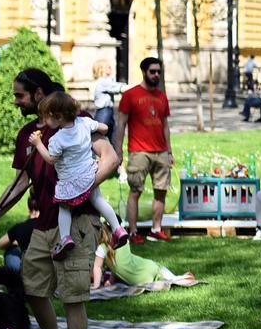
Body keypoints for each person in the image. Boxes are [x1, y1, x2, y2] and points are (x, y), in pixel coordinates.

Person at [0, 70, 119, 329]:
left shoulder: (74, 121)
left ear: (38, 94)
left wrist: (83, 188)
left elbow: (111, 158)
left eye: (20, 95)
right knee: (34, 288)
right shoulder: (28, 134)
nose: (15, 101)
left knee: (73, 296)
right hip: (45, 224)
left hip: (78, 221)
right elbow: (21, 182)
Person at [29, 91, 127, 259]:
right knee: (98, 200)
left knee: (64, 208)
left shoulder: (57, 140)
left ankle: (65, 238)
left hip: (70, 182)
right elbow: (104, 128)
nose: (45, 121)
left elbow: (51, 159)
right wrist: (99, 129)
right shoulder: (84, 123)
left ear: (58, 116)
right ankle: (118, 228)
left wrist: (38, 144)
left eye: (47, 117)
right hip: (89, 174)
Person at [115, 56, 173, 243]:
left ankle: (156, 229)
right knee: (135, 191)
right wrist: (118, 151)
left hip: (161, 151)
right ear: (144, 72)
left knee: (161, 191)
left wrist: (169, 151)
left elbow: (165, 126)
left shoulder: (162, 96)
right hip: (139, 151)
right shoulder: (130, 95)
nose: (156, 75)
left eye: (158, 72)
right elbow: (121, 124)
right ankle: (133, 232)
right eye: (152, 71)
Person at [93, 223, 192, 289]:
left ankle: (179, 278)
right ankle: (179, 278)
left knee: (158, 272)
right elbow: (117, 264)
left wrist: (96, 286)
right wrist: (111, 281)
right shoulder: (123, 241)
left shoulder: (101, 249)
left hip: (140, 278)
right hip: (145, 269)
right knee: (158, 270)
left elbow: (97, 267)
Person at [89, 60, 122, 136]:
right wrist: (138, 87)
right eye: (108, 67)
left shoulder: (106, 81)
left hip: (108, 112)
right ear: (101, 69)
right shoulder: (103, 82)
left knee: (114, 137)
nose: (111, 68)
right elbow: (119, 87)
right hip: (103, 112)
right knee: (98, 136)